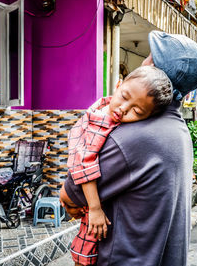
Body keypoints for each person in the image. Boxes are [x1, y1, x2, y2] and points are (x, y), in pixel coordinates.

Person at [60, 30, 197, 266]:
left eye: (150, 57)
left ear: (155, 77)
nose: (144, 60)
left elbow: (70, 195)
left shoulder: (133, 137)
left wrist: (71, 198)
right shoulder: (178, 130)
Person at [65, 65, 173, 266]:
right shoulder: (100, 123)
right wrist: (95, 207)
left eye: (137, 111)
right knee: (86, 249)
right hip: (87, 195)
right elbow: (84, 163)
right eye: (124, 96)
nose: (124, 109)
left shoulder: (115, 115)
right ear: (118, 84)